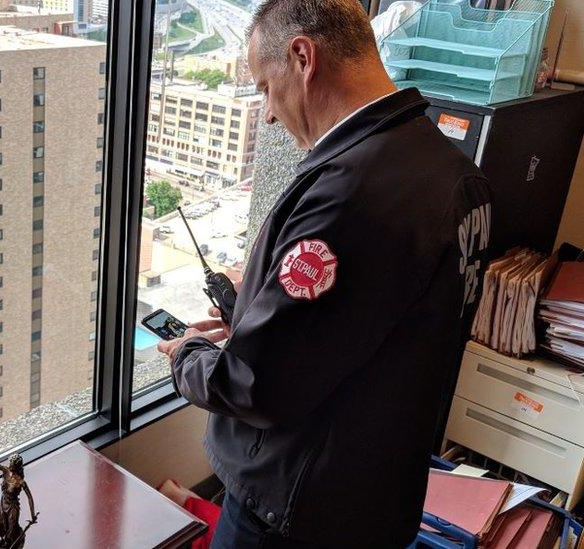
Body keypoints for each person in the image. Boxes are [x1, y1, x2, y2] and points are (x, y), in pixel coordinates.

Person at [157, 1, 493, 547]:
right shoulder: (454, 173)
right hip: (379, 496)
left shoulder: (350, 193)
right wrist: (259, 308)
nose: (267, 112)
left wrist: (188, 358)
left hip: (296, 509)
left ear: (302, 57)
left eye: (266, 88)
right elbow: (373, 321)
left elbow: (256, 386)